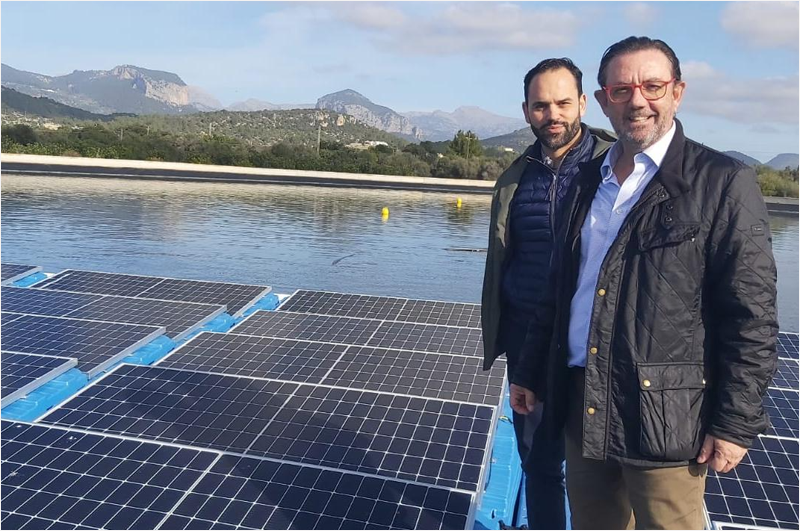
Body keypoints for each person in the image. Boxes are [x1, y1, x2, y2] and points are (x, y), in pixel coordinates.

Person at [509, 36, 779, 530]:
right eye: (621, 89)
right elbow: (559, 291)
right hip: (583, 402)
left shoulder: (722, 182)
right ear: (603, 100)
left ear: (677, 91)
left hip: (665, 417)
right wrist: (528, 370)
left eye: (652, 86)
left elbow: (751, 316)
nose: (637, 100)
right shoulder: (588, 180)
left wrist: (736, 422)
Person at [481, 57, 615, 529]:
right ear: (526, 111)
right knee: (538, 463)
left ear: (582, 103)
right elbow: (506, 257)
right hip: (526, 343)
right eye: (540, 106)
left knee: (600, 471)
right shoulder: (515, 177)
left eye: (562, 103)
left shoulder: (614, 169)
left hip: (594, 346)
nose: (552, 115)